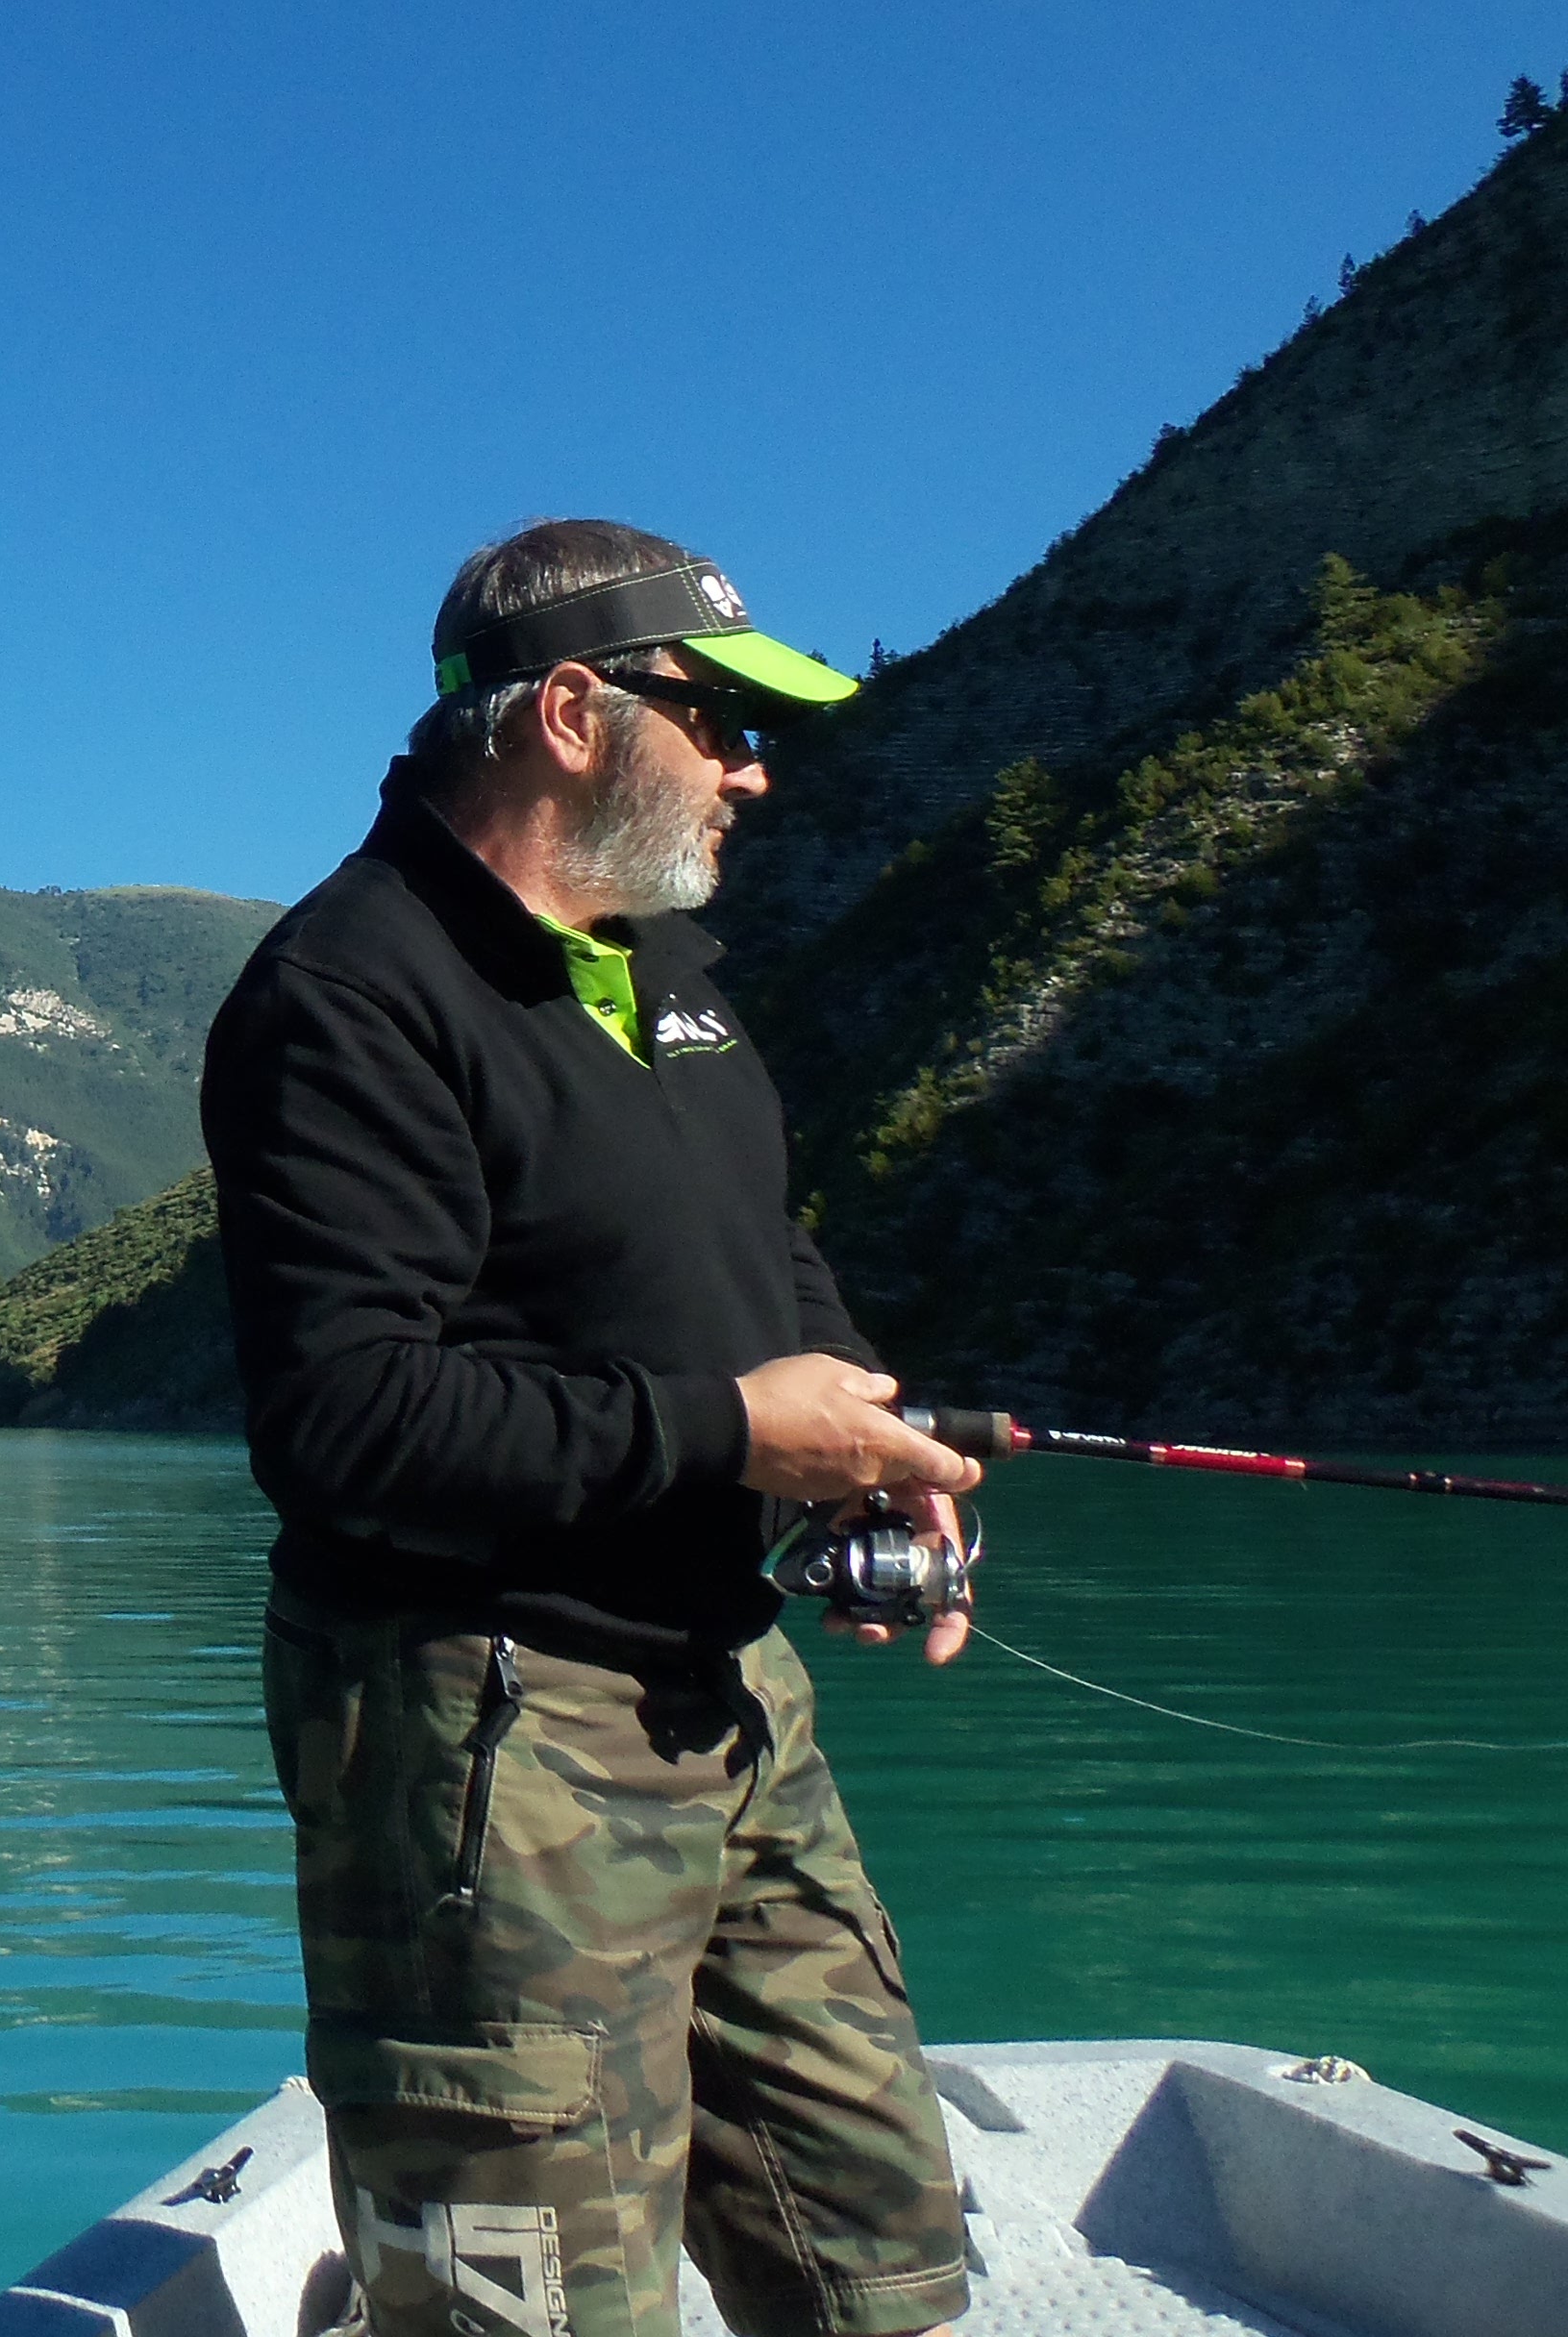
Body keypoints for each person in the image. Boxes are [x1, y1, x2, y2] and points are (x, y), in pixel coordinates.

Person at [200, 519, 981, 2337]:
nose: (753, 770)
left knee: (884, 2266)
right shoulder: (348, 995)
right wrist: (727, 1435)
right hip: (489, 1739)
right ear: (571, 712)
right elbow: (345, 1417)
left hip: (731, 1690)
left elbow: (764, 1254)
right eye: (715, 719)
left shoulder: (675, 971)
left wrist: (876, 1452)